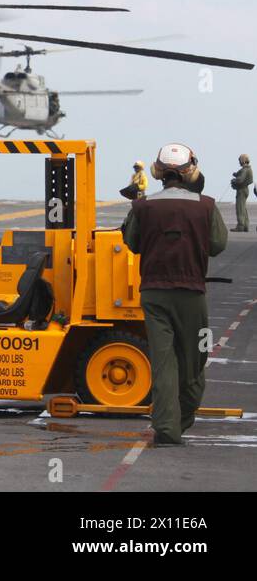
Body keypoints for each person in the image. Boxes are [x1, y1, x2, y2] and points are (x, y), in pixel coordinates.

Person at [120, 142, 226, 446]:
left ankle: (167, 429)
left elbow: (133, 242)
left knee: (163, 361)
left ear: (157, 172)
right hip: (192, 294)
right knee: (195, 359)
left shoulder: (142, 207)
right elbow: (218, 245)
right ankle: (181, 420)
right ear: (190, 171)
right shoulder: (206, 205)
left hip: (153, 294)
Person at [232, 154, 252, 231]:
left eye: (240, 160)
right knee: (244, 208)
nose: (239, 162)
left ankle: (240, 226)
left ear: (243, 160)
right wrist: (236, 174)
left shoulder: (245, 170)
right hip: (245, 190)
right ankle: (246, 226)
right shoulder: (248, 169)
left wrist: (234, 180)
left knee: (240, 208)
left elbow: (240, 179)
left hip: (241, 190)